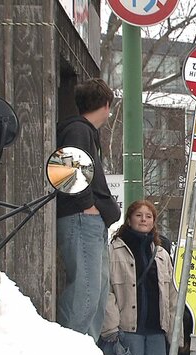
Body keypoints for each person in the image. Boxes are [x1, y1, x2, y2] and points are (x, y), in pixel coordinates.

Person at [56, 78, 121, 341]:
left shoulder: (83, 131)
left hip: (90, 220)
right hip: (82, 217)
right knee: (86, 291)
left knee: (97, 291)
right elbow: (66, 171)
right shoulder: (78, 130)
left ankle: (85, 350)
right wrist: (88, 205)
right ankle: (71, 349)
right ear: (106, 105)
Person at [100, 200, 178, 355]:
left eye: (148, 216)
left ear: (154, 222)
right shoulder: (113, 251)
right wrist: (111, 327)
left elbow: (172, 295)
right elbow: (106, 290)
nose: (144, 219)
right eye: (138, 215)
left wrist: (176, 334)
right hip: (127, 330)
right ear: (129, 220)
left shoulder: (162, 254)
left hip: (157, 331)